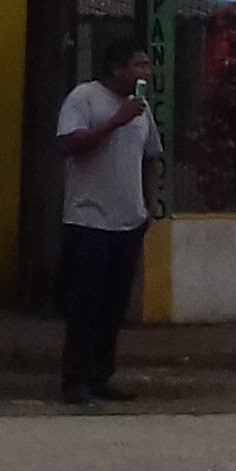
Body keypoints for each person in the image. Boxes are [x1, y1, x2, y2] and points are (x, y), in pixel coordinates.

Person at [56, 43, 164, 405]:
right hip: (89, 219)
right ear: (116, 68)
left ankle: (102, 374)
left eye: (147, 65)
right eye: (138, 64)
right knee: (85, 303)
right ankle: (75, 380)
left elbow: (150, 157)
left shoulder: (142, 109)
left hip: (127, 221)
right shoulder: (85, 98)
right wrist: (116, 121)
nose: (145, 73)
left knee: (113, 306)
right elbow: (70, 145)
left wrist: (149, 205)